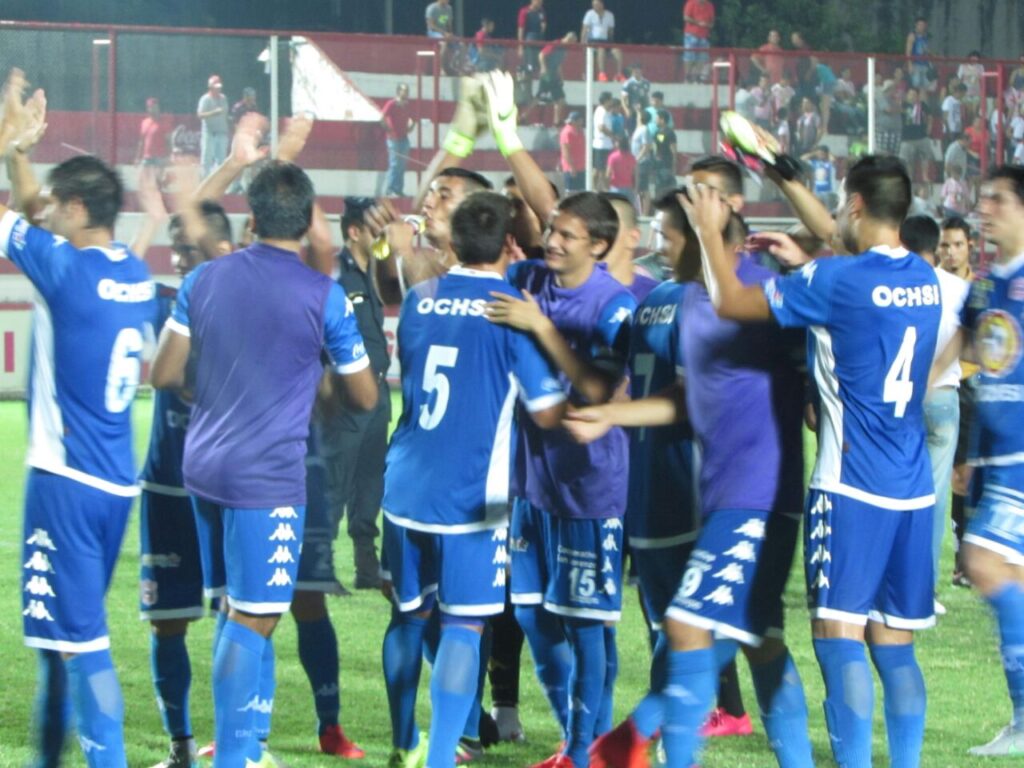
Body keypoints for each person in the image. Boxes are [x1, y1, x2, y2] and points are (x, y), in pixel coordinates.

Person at [692, 154, 941, 768]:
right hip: (912, 489)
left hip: (851, 485)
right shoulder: (925, 277)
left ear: (856, 205)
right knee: (896, 647)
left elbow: (728, 299)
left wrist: (705, 230)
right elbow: (847, 255)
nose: (830, 219)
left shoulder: (834, 281)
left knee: (837, 638)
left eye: (839, 205)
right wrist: (790, 195)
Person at [150, 161, 379, 766]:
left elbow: (165, 373)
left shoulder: (203, 279)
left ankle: (248, 746)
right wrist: (313, 378)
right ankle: (231, 756)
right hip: (267, 478)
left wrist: (216, 395)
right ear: (307, 221)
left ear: (250, 218)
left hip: (202, 469)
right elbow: (364, 396)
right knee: (255, 618)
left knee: (237, 606)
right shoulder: (321, 294)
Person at [1, 68, 155, 767]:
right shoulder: (130, 271)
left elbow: (16, 220)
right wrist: (19, 157)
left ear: (73, 210)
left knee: (82, 641)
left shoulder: (62, 271)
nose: (47, 213)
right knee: (60, 644)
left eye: (55, 207)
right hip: (113, 479)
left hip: (64, 481)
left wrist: (7, 145)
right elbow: (35, 209)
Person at [381, 190, 566, 768]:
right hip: (472, 500)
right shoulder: (512, 311)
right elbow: (546, 412)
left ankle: (402, 742)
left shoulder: (419, 299)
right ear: (509, 243)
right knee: (463, 627)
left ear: (453, 242)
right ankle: (438, 758)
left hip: (405, 485)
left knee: (408, 617)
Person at [933, 165, 1024, 757]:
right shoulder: (989, 286)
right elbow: (961, 346)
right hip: (997, 459)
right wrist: (914, 392)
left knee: (982, 561)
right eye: (982, 196)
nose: (983, 207)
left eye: (997, 199)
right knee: (1008, 576)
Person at [140, 205, 231, 768]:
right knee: (166, 621)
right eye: (174, 249)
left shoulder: (244, 306)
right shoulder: (161, 303)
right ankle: (180, 748)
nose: (177, 259)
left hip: (224, 488)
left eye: (188, 249)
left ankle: (243, 742)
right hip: (166, 487)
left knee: (237, 615)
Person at [899, 216, 968, 618]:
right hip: (942, 397)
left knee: (899, 493)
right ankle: (921, 592)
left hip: (900, 397)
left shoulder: (895, 288)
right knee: (934, 498)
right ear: (937, 245)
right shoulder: (958, 290)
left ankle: (886, 585)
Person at [322, 197, 393, 588]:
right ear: (354, 232)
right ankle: (321, 567)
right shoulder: (335, 274)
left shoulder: (375, 271)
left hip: (378, 395)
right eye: (373, 229)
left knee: (370, 485)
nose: (381, 236)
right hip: (347, 396)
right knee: (335, 482)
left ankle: (367, 568)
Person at [381, 84, 415, 198]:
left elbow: (413, 118)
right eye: (404, 90)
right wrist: (388, 129)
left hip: (403, 137)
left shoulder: (407, 105)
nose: (406, 93)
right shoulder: (392, 103)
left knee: (402, 164)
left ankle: (399, 189)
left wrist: (411, 127)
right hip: (393, 138)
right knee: (394, 164)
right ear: (398, 91)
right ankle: (390, 189)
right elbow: (382, 117)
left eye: (407, 90)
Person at [581, 0, 622, 83]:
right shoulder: (589, 14)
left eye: (596, 4)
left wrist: (611, 43)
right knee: (601, 49)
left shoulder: (610, 15)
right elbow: (584, 29)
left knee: (617, 51)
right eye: (593, 5)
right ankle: (602, 74)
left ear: (602, 4)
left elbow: (610, 31)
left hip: (606, 41)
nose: (594, 6)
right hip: (593, 41)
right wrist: (582, 42)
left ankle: (619, 74)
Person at [197, 75, 229, 178]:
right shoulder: (205, 99)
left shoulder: (223, 98)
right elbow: (200, 115)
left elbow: (225, 114)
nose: (218, 89)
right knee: (206, 160)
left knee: (221, 161)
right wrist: (213, 113)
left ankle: (218, 185)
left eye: (219, 87)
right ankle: (203, 184)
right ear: (210, 87)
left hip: (222, 133)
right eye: (216, 87)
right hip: (209, 133)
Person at [136, 97, 169, 189]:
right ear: (148, 108)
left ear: (158, 108)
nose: (153, 109)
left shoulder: (163, 122)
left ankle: (160, 200)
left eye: (155, 107)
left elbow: (168, 140)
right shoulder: (144, 122)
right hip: (147, 157)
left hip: (159, 157)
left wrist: (168, 156)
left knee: (157, 184)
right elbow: (141, 141)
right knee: (141, 180)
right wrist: (138, 157)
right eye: (151, 107)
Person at [681, 0, 715, 83]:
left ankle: (697, 76)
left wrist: (708, 24)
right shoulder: (691, 3)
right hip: (691, 34)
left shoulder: (709, 5)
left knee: (702, 57)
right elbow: (686, 17)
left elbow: (712, 21)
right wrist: (698, 23)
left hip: (704, 35)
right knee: (689, 55)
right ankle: (687, 76)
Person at [592, 92, 615, 191]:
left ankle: (598, 188)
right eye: (610, 99)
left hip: (606, 144)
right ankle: (600, 188)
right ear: (606, 100)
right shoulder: (601, 111)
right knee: (601, 169)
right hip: (601, 144)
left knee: (600, 168)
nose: (611, 102)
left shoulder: (606, 111)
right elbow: (601, 127)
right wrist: (613, 136)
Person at [651, 109, 677, 195]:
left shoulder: (670, 133)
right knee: (658, 188)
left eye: (657, 118)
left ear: (662, 120)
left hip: (666, 164)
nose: (655, 120)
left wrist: (674, 166)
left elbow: (673, 150)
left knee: (666, 189)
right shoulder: (657, 132)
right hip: (658, 165)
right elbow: (655, 147)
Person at [560, 111, 586, 193]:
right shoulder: (567, 132)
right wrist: (572, 167)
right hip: (571, 168)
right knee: (571, 192)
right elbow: (566, 151)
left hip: (581, 167)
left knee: (581, 192)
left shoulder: (580, 131)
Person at [517, 0, 546, 74]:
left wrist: (543, 26)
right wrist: (520, 46)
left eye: (541, 2)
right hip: (529, 40)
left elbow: (543, 22)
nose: (540, 3)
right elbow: (521, 28)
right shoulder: (524, 11)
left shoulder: (541, 11)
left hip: (539, 40)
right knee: (530, 63)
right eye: (538, 1)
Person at [607, 137, 636, 204]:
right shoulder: (631, 157)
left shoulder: (613, 157)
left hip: (616, 187)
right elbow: (634, 173)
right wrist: (635, 187)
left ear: (618, 144)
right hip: (629, 187)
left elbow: (608, 174)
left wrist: (607, 186)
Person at [905, 17, 931, 90]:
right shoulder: (912, 35)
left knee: (925, 86)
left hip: (925, 64)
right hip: (915, 64)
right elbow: (908, 51)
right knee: (916, 85)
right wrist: (909, 64)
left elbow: (927, 50)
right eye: (919, 25)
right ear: (916, 25)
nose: (921, 27)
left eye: (923, 25)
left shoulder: (925, 37)